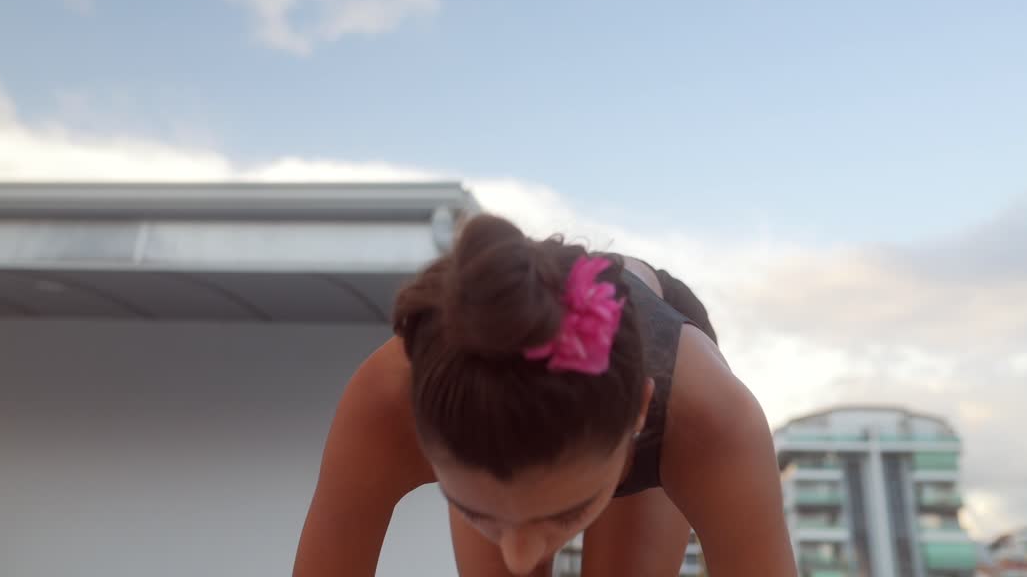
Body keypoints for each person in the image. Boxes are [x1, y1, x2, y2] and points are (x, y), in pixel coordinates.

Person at [293, 213, 797, 576]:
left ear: (639, 414)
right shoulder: (386, 400)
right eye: (475, 510)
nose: (520, 555)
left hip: (660, 364)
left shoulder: (709, 419)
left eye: (566, 514)